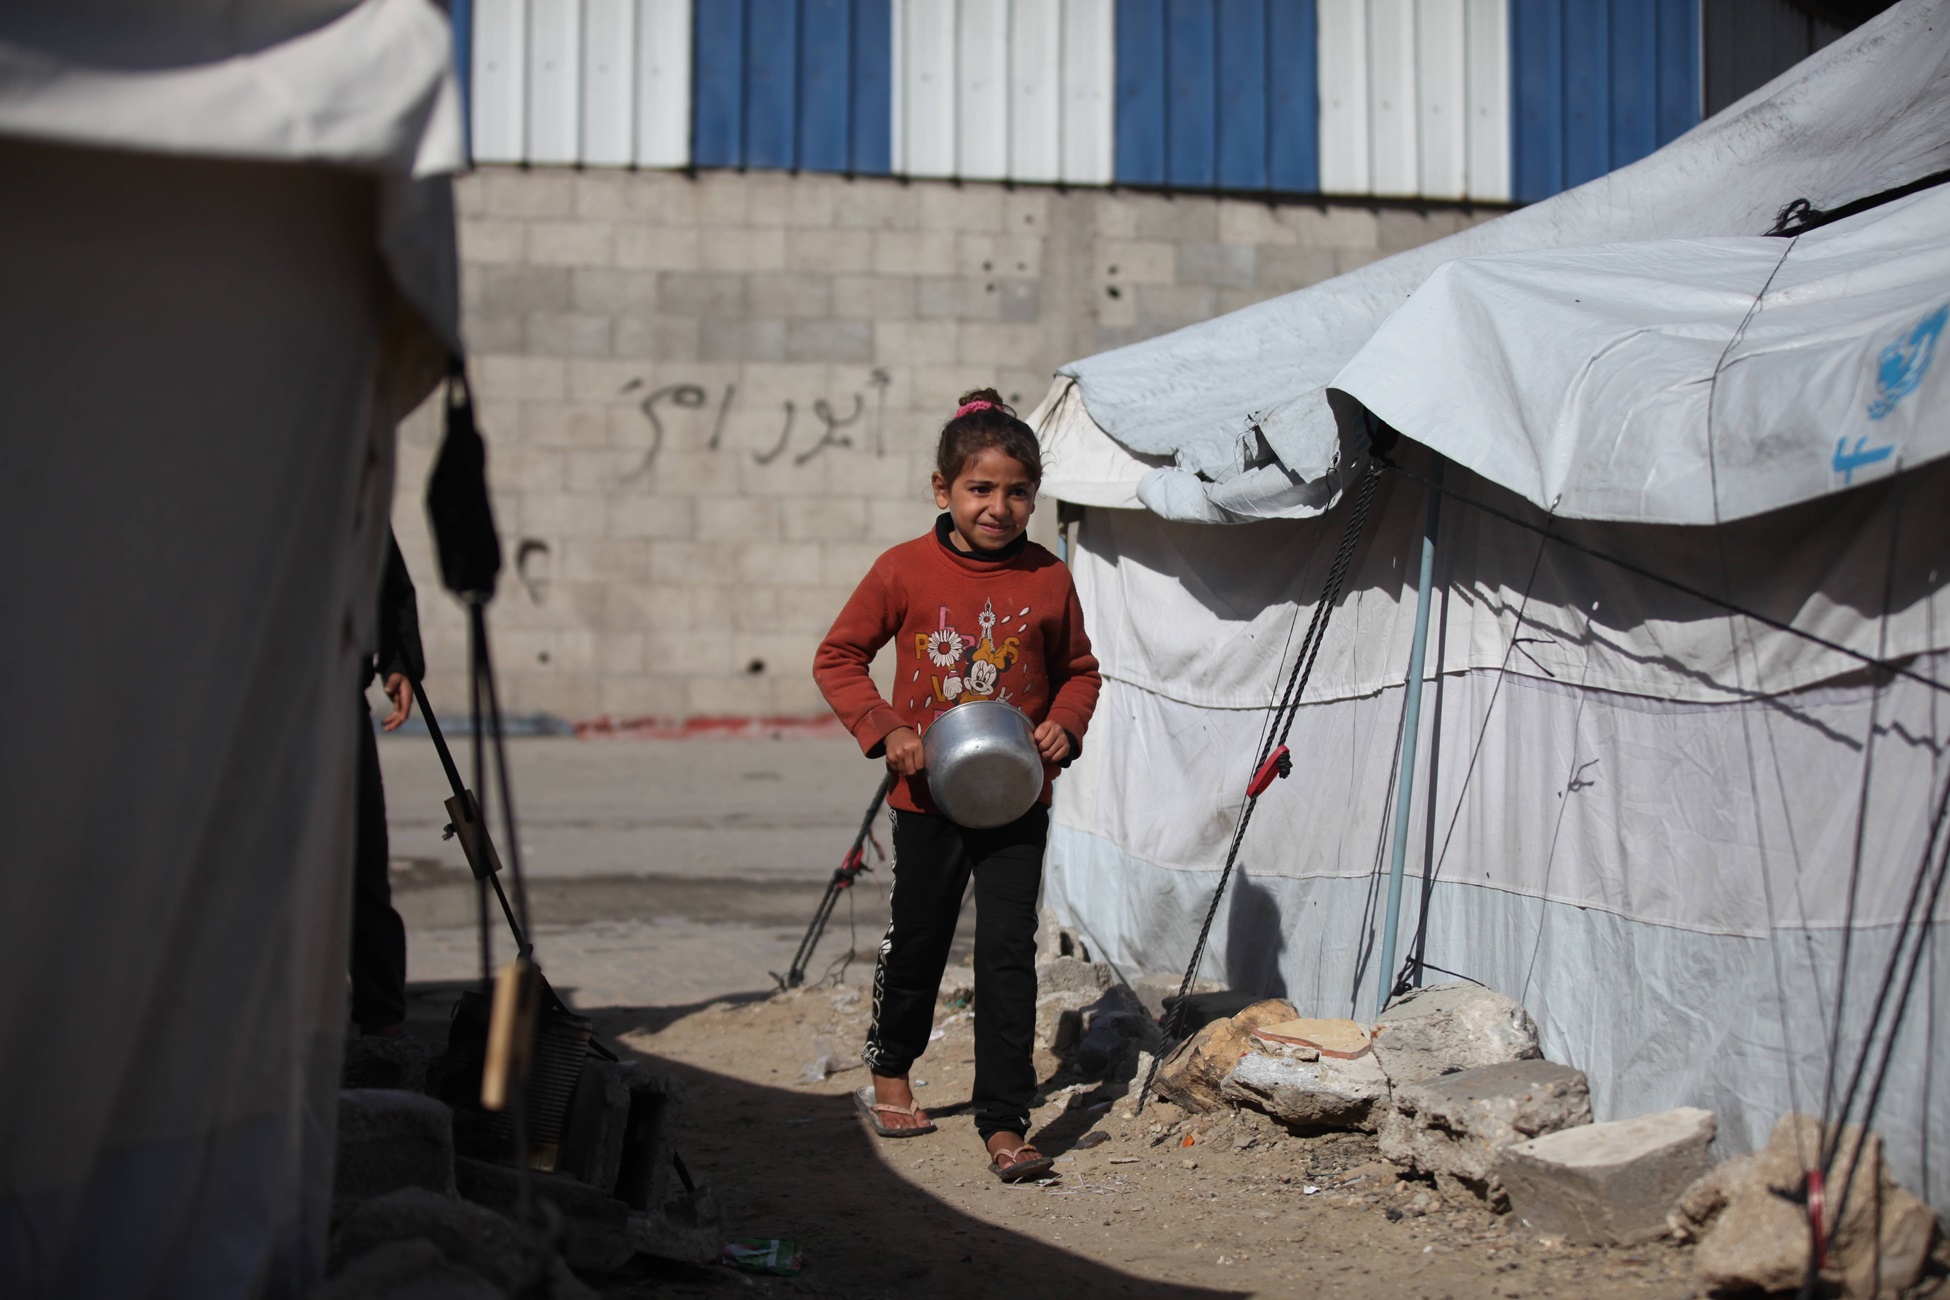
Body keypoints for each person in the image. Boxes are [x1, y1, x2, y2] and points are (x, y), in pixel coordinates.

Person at [813, 389, 1101, 1182]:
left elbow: (1080, 672)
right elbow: (838, 658)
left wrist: (1064, 726)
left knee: (1009, 953)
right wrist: (887, 730)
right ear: (942, 490)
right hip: (926, 800)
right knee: (920, 937)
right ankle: (892, 1069)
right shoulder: (903, 569)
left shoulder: (1049, 578)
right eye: (980, 489)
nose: (998, 508)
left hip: (1017, 799)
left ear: (1034, 497)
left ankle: (1004, 1119)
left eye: (1018, 492)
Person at [352, 533, 425, 1038]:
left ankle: (381, 1018)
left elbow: (390, 581)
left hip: (338, 696)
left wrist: (399, 662)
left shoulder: (348, 492)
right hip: (255, 702)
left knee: (363, 860)